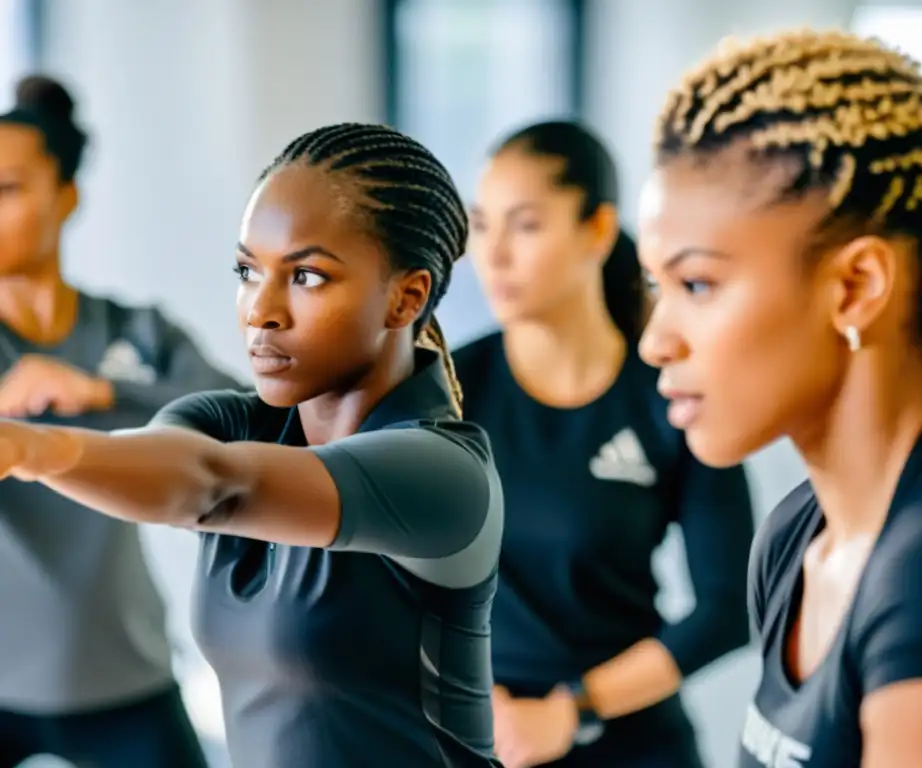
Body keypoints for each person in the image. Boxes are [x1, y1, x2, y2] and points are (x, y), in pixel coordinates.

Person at [0, 121, 504, 768]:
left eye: (308, 277)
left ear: (406, 298)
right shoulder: (230, 421)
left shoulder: (444, 472)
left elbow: (214, 486)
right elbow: (168, 464)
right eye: (247, 270)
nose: (259, 310)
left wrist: (27, 447)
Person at [638, 30, 922, 768]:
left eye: (696, 285)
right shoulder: (795, 537)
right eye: (657, 286)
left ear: (855, 288)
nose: (656, 340)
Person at [457, 120, 755, 768]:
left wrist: (572, 709)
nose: (494, 253)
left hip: (633, 743)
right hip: (479, 734)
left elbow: (728, 608)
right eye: (482, 225)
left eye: (526, 225)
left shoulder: (670, 395)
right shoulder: (447, 392)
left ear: (596, 229)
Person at [0, 75, 241, 767]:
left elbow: (243, 428)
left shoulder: (136, 332)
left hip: (119, 669)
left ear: (66, 197)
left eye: (7, 190)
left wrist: (98, 392)